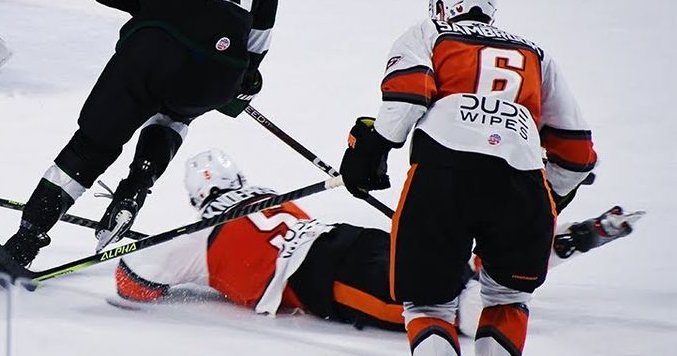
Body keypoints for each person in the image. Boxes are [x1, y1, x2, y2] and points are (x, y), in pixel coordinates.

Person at [0, 0, 280, 272]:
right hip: (220, 67)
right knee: (177, 110)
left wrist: (154, 5)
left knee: (94, 142)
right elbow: (259, 36)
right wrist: (245, 75)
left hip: (153, 51)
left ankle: (25, 241)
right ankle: (135, 189)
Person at [339, 0, 599, 356]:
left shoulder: (430, 33)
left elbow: (407, 99)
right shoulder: (536, 55)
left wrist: (370, 153)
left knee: (428, 304)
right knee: (507, 300)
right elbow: (577, 154)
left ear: (442, 5)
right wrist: (549, 196)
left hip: (444, 176)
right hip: (521, 183)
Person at [113, 149, 642, 336]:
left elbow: (133, 283)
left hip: (323, 279)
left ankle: (551, 244)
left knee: (438, 307)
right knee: (453, 269)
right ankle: (551, 242)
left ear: (198, 199)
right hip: (344, 239)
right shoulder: (277, 198)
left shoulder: (200, 239)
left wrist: (200, 281)